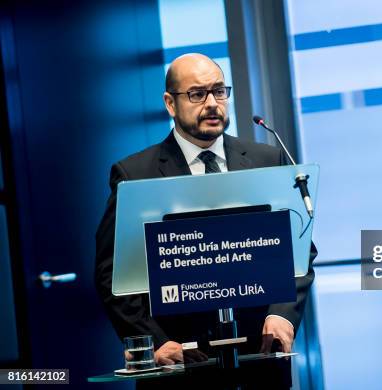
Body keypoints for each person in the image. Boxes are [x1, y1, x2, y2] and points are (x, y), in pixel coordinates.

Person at [94, 53, 315, 368]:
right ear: (170, 104)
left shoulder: (267, 160)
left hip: (261, 353)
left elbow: (300, 251)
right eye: (197, 94)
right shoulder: (135, 173)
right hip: (179, 360)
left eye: (219, 91)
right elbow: (110, 273)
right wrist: (155, 340)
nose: (212, 103)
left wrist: (282, 314)